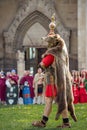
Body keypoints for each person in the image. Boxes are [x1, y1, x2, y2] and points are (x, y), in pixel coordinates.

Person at [32, 14, 77, 128]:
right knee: (61, 101)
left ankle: (44, 122)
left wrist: (43, 60)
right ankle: (65, 122)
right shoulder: (61, 52)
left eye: (48, 41)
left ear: (52, 43)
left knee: (50, 101)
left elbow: (42, 65)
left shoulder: (52, 53)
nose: (47, 43)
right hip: (59, 81)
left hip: (52, 82)